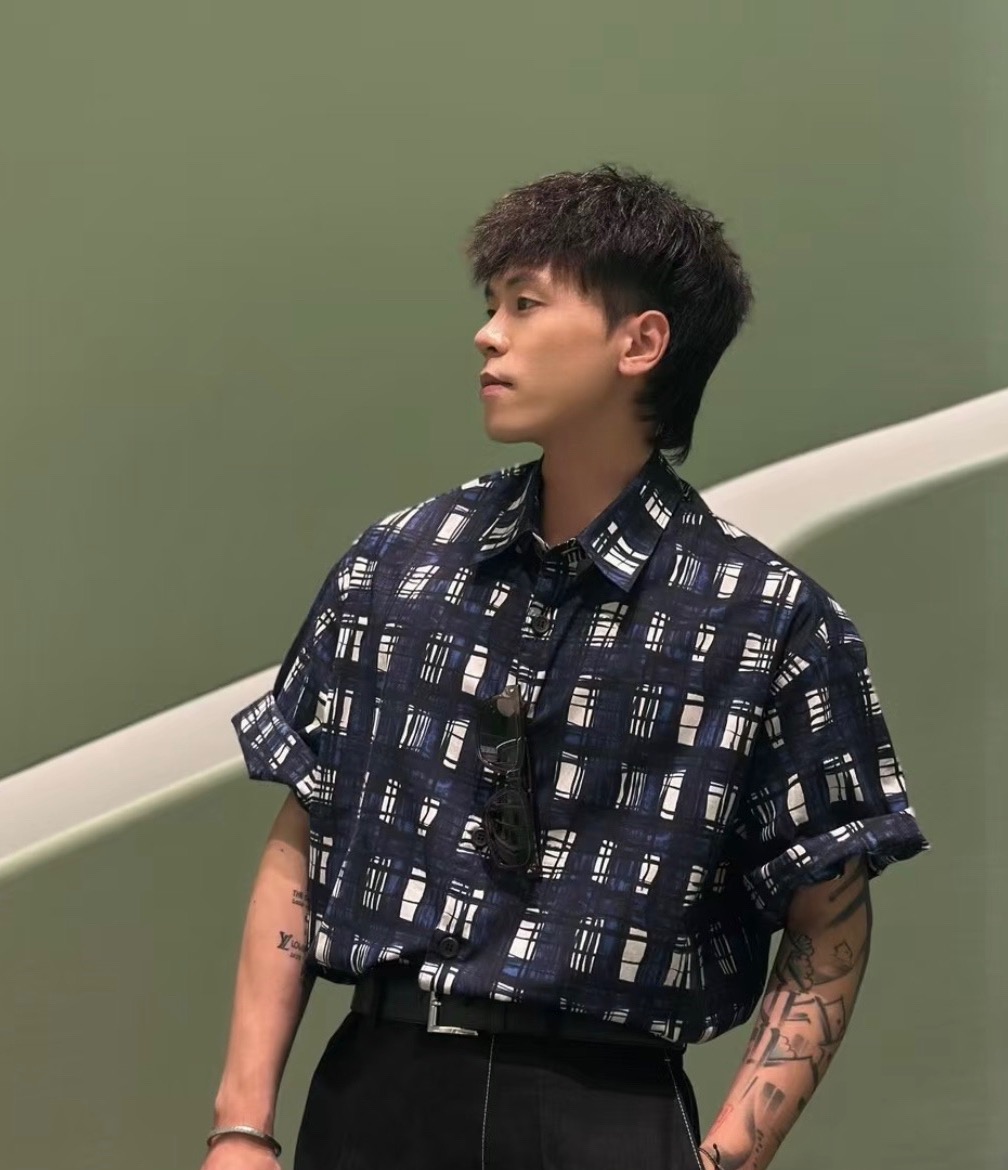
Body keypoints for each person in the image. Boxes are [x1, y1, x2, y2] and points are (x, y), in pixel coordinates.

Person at [202, 163, 929, 1170]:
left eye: (525, 303)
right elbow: (302, 836)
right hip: (375, 1088)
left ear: (640, 342)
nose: (487, 334)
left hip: (607, 1109)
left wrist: (724, 1161)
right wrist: (242, 1127)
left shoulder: (768, 622)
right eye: (490, 304)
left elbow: (829, 926)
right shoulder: (399, 565)